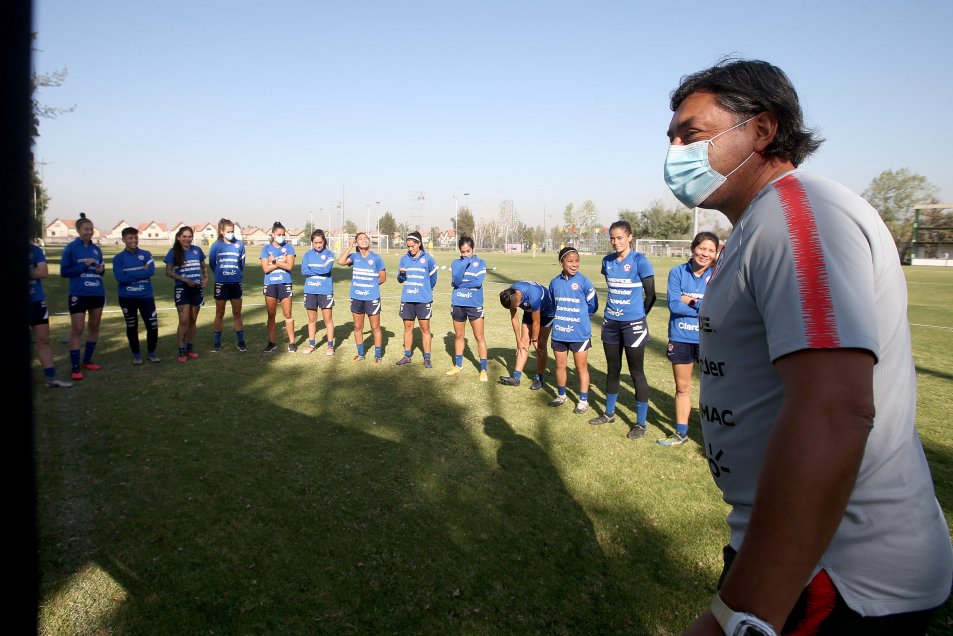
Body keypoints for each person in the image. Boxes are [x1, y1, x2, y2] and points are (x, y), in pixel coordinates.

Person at [665, 59, 951, 636]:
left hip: (837, 577)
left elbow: (834, 410)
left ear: (762, 130)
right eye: (671, 138)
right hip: (799, 560)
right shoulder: (760, 223)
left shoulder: (797, 214)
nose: (674, 152)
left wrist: (742, 614)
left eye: (690, 134)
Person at [586, 220, 656, 440]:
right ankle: (609, 413)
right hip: (611, 323)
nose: (616, 242)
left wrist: (638, 315)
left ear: (630, 237)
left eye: (620, 238)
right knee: (612, 369)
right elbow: (612, 287)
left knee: (636, 373)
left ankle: (641, 423)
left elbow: (651, 295)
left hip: (633, 324)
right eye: (612, 238)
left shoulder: (640, 261)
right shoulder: (607, 262)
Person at [657, 231, 718, 447]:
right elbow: (674, 305)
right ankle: (681, 433)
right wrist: (702, 306)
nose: (705, 254)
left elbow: (716, 308)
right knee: (682, 387)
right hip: (681, 336)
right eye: (702, 248)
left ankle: (714, 434)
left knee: (712, 388)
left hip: (708, 339)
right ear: (693, 249)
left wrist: (690, 301)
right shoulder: (677, 272)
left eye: (711, 250)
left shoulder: (718, 274)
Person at [547, 246, 598, 413]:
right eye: (570, 261)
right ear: (562, 262)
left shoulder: (584, 282)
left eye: (577, 261)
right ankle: (561, 395)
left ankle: (583, 401)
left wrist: (580, 318)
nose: (574, 264)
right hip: (560, 332)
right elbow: (554, 305)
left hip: (579, 333)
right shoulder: (554, 283)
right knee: (560, 366)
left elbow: (593, 306)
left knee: (581, 367)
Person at [60, 212, 106, 380]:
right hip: (79, 293)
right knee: (77, 329)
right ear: (78, 230)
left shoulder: (96, 249)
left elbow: (100, 270)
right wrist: (83, 266)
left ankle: (87, 360)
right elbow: (64, 272)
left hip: (97, 293)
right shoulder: (71, 248)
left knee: (94, 327)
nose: (89, 232)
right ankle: (75, 366)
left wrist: (101, 271)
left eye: (91, 229)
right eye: (86, 229)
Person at [112, 227, 160, 364]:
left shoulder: (146, 254)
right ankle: (137, 355)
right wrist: (141, 272)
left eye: (135, 238)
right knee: (132, 326)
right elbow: (120, 278)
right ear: (123, 240)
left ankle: (152, 353)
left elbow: (150, 272)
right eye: (130, 238)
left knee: (152, 325)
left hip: (146, 296)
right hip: (127, 297)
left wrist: (129, 274)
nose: (134, 240)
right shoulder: (118, 258)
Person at [338, 232, 386, 364]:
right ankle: (360, 354)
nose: (364, 240)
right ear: (356, 242)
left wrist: (370, 287)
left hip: (372, 298)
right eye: (361, 239)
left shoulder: (376, 258)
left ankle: (377, 355)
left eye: (366, 238)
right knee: (358, 327)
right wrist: (349, 246)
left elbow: (382, 278)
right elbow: (341, 261)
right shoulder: (354, 257)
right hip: (356, 297)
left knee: (375, 327)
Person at [446, 236, 489, 381]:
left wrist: (460, 284)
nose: (465, 254)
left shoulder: (481, 262)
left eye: (468, 251)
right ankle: (458, 366)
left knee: (479, 337)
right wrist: (464, 263)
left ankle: (483, 369)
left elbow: (477, 282)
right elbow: (456, 280)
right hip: (458, 303)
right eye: (463, 252)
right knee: (459, 336)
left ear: (473, 249)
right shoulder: (456, 263)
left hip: (474, 304)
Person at [30, 242, 73, 387]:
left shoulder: (35, 250)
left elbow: (43, 272)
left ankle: (51, 378)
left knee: (43, 340)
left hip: (36, 301)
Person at [498, 281, 554, 390]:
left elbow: (536, 322)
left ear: (518, 297)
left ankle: (539, 378)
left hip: (547, 312)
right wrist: (518, 340)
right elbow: (514, 318)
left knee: (541, 345)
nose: (518, 307)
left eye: (517, 305)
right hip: (530, 312)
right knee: (523, 342)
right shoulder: (510, 294)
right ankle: (516, 378)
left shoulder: (533, 295)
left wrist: (534, 340)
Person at [164, 226, 208, 363]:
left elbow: (203, 266)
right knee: (184, 321)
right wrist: (185, 280)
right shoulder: (173, 252)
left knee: (193, 320)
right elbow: (169, 272)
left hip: (197, 289)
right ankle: (181, 349)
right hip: (182, 289)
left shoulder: (197, 250)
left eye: (189, 236)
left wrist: (206, 278)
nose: (187, 239)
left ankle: (190, 348)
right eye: (184, 236)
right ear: (178, 237)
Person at [395, 231, 438, 367]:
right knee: (408, 328)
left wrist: (425, 290)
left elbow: (433, 279)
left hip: (423, 299)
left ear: (419, 244)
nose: (410, 249)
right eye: (408, 247)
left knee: (425, 329)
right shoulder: (404, 259)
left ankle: (427, 358)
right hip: (407, 299)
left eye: (413, 246)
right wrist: (401, 275)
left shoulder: (429, 259)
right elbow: (400, 279)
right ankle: (407, 356)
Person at [207, 218, 247, 352]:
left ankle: (241, 342)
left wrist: (234, 274)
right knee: (220, 313)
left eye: (232, 231)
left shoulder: (239, 245)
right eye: (228, 231)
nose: (231, 234)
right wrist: (221, 274)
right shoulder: (216, 246)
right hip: (221, 283)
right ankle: (217, 343)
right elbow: (212, 263)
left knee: (237, 313)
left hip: (235, 283)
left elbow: (241, 264)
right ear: (222, 232)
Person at [260, 221, 297, 353]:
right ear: (273, 234)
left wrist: (274, 261)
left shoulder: (289, 248)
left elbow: (290, 266)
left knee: (287, 314)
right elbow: (265, 269)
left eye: (283, 234)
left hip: (284, 283)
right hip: (270, 284)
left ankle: (292, 342)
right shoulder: (265, 249)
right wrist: (282, 262)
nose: (281, 236)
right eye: (279, 234)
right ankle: (271, 343)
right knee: (271, 315)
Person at [300, 229, 336, 355]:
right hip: (310, 290)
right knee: (312, 319)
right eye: (315, 243)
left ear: (324, 241)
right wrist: (318, 269)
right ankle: (311, 344)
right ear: (312, 243)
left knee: (328, 319)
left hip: (325, 291)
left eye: (320, 242)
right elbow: (304, 271)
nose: (318, 245)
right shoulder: (307, 255)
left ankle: (330, 346)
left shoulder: (329, 254)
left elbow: (327, 269)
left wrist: (312, 269)